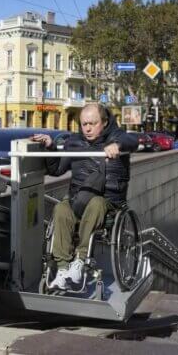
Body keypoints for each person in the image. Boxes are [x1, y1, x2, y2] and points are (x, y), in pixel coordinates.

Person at [31, 103, 138, 289]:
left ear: (104, 122)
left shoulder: (116, 136)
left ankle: (80, 261)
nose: (87, 128)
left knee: (96, 203)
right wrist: (50, 146)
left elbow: (133, 141)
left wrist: (117, 146)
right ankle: (63, 269)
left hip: (108, 200)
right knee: (61, 209)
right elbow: (56, 169)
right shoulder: (74, 142)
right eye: (83, 124)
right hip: (78, 198)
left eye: (92, 123)